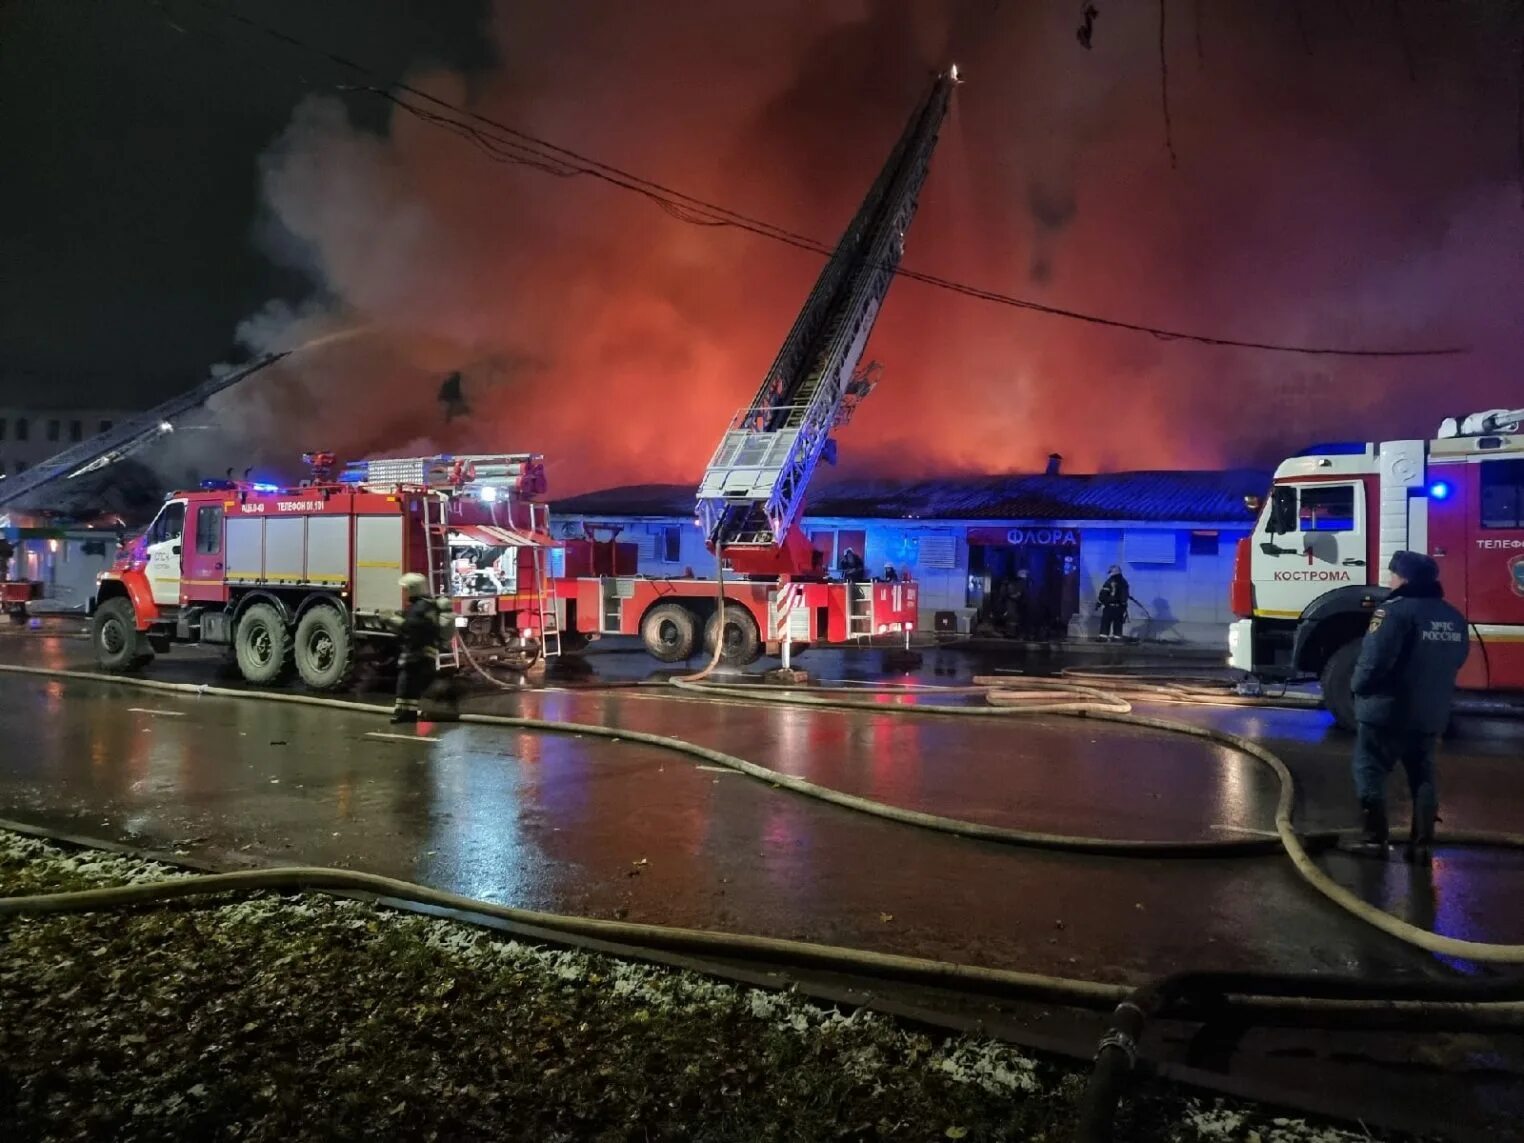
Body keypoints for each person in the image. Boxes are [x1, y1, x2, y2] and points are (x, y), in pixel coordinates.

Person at [1349, 551, 1469, 863]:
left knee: (1370, 769)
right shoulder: (1453, 616)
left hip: (1388, 711)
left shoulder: (1393, 613)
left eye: (1392, 575)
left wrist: (1357, 688)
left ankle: (1374, 839)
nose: (1389, 581)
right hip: (1431, 714)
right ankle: (1422, 843)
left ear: (1403, 579)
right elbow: (1457, 660)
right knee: (1423, 774)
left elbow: (1373, 662)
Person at [390, 572, 448, 724]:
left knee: (406, 684)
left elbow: (412, 628)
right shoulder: (429, 605)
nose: (405, 592)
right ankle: (408, 713)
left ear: (413, 589)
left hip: (417, 653)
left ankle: (404, 714)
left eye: (406, 589)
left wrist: (396, 621)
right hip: (426, 653)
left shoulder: (418, 608)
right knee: (411, 685)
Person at [1096, 565, 1129, 642]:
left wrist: (1099, 603)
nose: (1109, 574)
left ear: (1113, 572)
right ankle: (1117, 639)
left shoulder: (1110, 581)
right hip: (1120, 608)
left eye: (1110, 572)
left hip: (1109, 607)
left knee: (1105, 622)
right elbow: (1125, 596)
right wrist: (1124, 606)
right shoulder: (1124, 581)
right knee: (1118, 624)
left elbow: (1103, 594)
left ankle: (1103, 638)